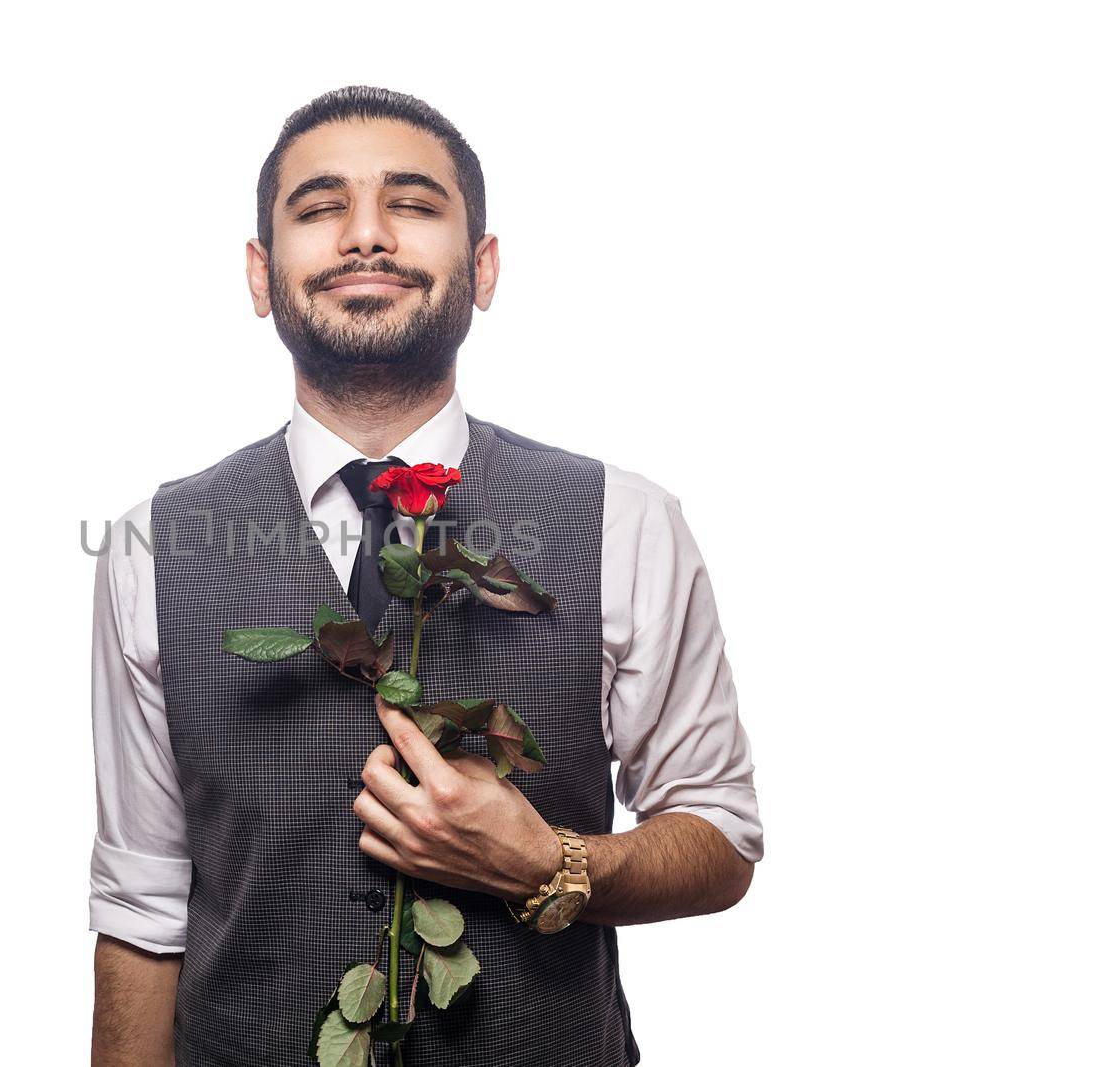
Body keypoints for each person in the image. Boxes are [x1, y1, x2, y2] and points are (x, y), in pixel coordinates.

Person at [87, 85, 762, 1067]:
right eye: (318, 209)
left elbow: (721, 834)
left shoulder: (630, 521)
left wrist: (556, 863)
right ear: (260, 274)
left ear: (482, 268)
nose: (366, 235)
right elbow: (140, 902)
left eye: (411, 203)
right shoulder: (152, 543)